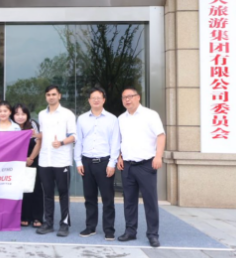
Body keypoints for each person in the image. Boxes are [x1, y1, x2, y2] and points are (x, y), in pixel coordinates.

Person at [117, 87, 166, 248]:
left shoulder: (150, 115)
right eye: (124, 97)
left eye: (130, 96)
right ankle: (130, 231)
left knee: (150, 201)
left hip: (146, 165)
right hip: (127, 166)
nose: (127, 100)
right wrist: (119, 156)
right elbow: (119, 140)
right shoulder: (121, 119)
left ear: (138, 97)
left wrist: (158, 156)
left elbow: (161, 135)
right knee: (129, 201)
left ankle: (153, 234)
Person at [75, 87, 121, 242]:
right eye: (93, 98)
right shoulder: (82, 119)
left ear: (103, 100)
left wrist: (112, 163)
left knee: (108, 198)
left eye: (99, 97)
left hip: (104, 163)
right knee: (89, 198)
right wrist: (78, 161)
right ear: (89, 100)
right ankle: (90, 227)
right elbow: (79, 141)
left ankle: (109, 230)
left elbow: (115, 142)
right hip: (87, 162)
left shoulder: (112, 119)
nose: (96, 100)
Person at [33, 85, 77, 238]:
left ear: (59, 96)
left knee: (64, 193)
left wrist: (62, 143)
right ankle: (48, 223)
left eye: (53, 94)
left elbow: (74, 136)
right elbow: (44, 134)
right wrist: (36, 135)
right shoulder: (41, 114)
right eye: (48, 95)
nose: (51, 97)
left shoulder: (67, 114)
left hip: (61, 160)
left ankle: (64, 224)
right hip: (45, 159)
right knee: (48, 194)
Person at [13, 104, 44, 229]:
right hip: (17, 161)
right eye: (17, 114)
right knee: (22, 189)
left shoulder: (32, 124)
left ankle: (37, 217)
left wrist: (31, 158)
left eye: (23, 114)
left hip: (33, 160)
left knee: (36, 188)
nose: (20, 117)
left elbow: (39, 142)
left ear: (27, 115)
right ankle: (24, 216)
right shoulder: (12, 127)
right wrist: (22, 159)